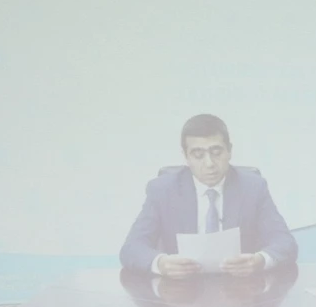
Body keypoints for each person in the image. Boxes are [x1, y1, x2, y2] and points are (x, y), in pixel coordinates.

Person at [119, 114, 297, 278]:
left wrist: (260, 261)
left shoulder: (253, 188)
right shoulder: (162, 190)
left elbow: (285, 242)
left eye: (216, 152)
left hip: (241, 287)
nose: (209, 163)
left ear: (229, 151)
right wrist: (161, 263)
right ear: (186, 156)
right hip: (180, 288)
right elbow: (132, 248)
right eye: (198, 155)